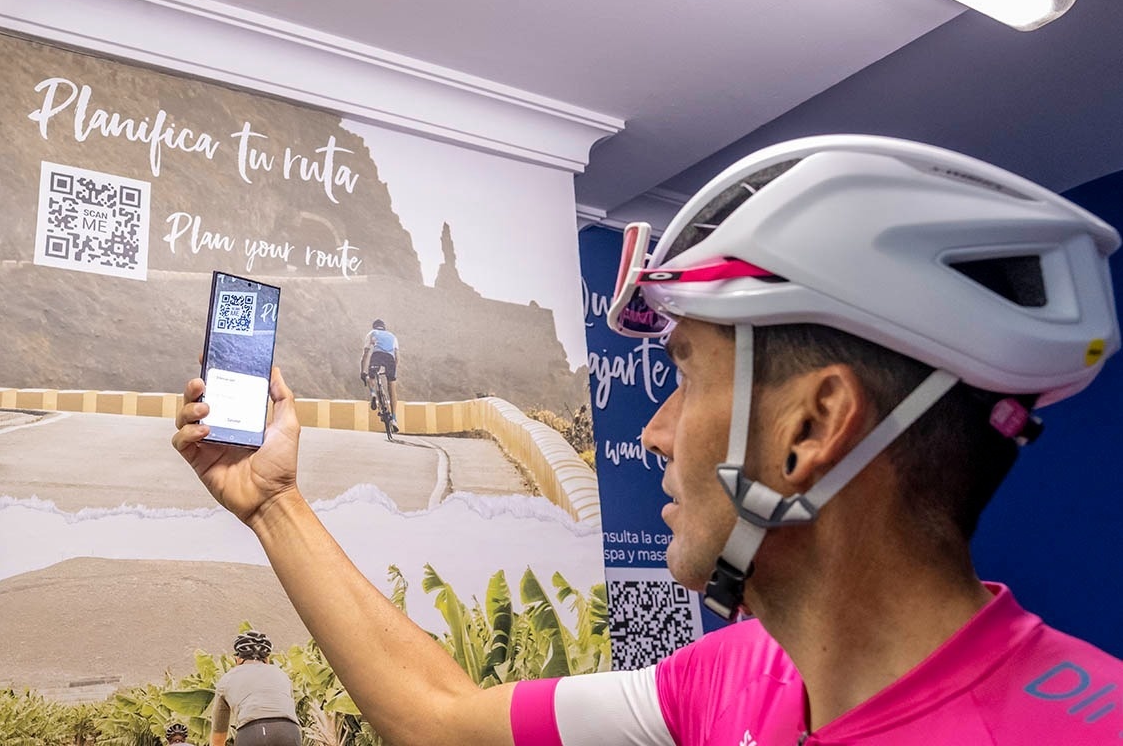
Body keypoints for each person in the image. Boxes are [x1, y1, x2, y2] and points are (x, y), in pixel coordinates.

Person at [173, 135, 1123, 745]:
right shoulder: (737, 677)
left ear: (812, 426)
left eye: (688, 375)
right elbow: (441, 719)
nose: (654, 433)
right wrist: (272, 502)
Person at [209, 631, 301, 746]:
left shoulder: (227, 679)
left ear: (238, 659)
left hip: (252, 732)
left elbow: (219, 733)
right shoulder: (281, 674)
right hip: (289, 731)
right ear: (267, 659)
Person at [360, 318, 400, 433]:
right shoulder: (392, 336)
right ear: (384, 328)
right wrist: (392, 371)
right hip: (390, 359)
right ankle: (394, 418)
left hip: (377, 356)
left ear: (374, 327)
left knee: (371, 377)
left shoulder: (372, 333)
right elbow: (397, 357)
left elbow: (365, 354)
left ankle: (373, 394)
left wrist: (363, 372)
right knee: (392, 388)